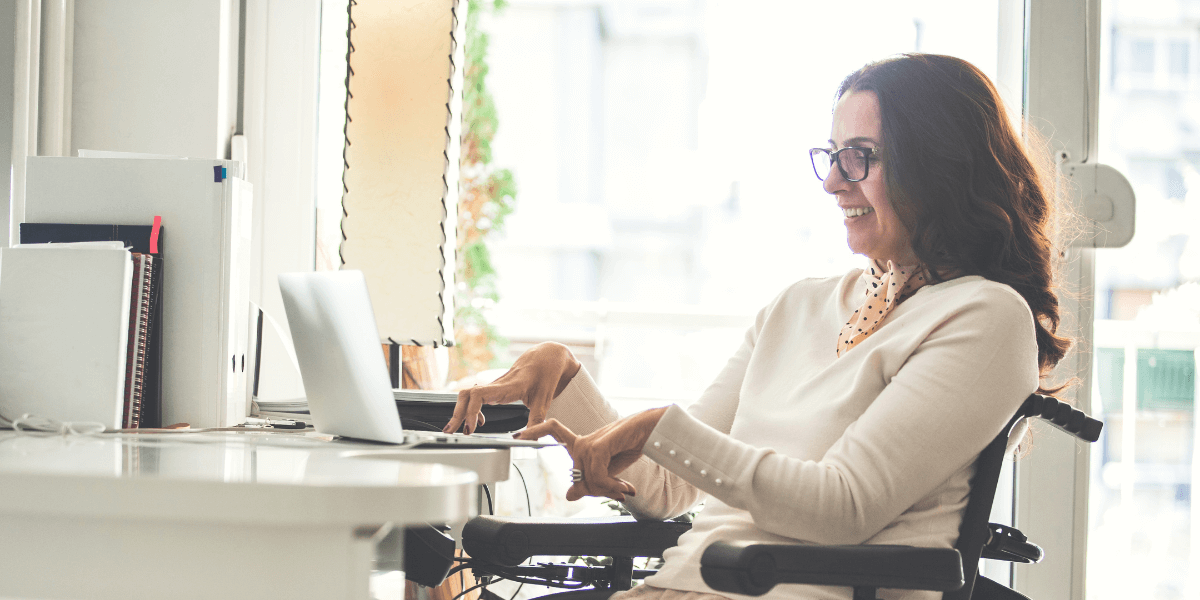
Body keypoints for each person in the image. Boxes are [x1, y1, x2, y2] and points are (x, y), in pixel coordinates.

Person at [444, 53, 1071, 600]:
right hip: (685, 585)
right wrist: (564, 381)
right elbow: (665, 486)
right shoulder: (797, 306)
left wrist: (663, 425)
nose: (831, 182)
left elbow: (844, 507)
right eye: (831, 156)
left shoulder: (985, 318)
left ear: (939, 167)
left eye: (860, 159)